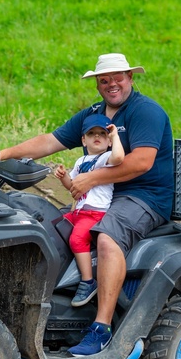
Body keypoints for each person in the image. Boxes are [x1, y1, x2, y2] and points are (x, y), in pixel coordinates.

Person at [0, 53, 173, 357]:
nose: (111, 84)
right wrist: (1, 155)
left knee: (107, 238)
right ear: (97, 83)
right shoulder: (94, 114)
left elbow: (142, 162)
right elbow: (49, 141)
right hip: (103, 195)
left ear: (131, 78)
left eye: (118, 78)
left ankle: (101, 329)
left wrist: (91, 179)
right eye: (104, 80)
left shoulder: (147, 112)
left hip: (143, 196)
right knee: (47, 225)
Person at [54, 114, 124, 308]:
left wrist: (115, 135)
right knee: (56, 226)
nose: (97, 137)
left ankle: (87, 280)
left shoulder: (104, 159)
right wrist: (63, 178)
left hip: (95, 213)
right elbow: (73, 187)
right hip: (80, 211)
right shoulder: (81, 160)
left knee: (76, 239)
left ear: (108, 140)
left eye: (102, 133)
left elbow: (119, 157)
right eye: (91, 133)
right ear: (83, 140)